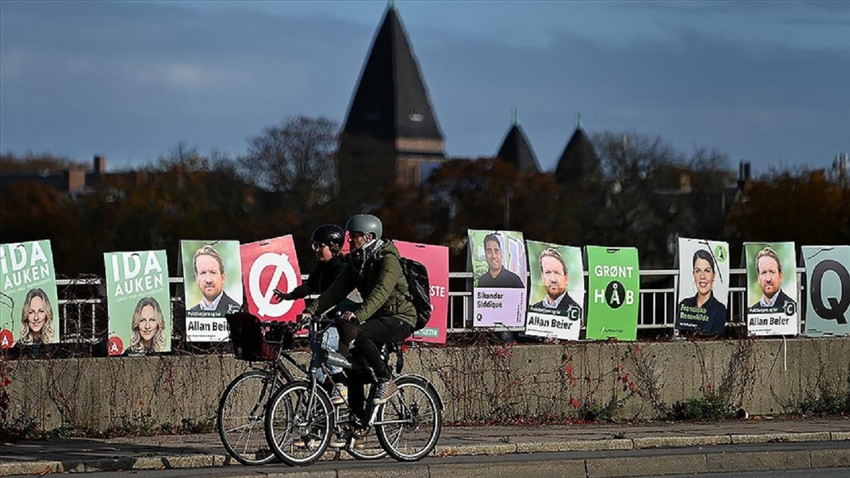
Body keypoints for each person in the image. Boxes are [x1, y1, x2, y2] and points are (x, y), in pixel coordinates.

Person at [301, 213, 416, 432]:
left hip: (400, 318)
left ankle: (385, 379)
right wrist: (310, 311)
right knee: (353, 370)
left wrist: (358, 315)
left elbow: (381, 292)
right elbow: (335, 292)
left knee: (358, 332)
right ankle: (357, 426)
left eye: (354, 236)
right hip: (377, 318)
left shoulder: (388, 259)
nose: (349, 240)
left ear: (369, 237)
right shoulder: (357, 261)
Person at [273, 224, 349, 405]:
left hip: (341, 322)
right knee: (317, 368)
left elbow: (336, 298)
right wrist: (288, 296)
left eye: (320, 246)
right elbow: (309, 287)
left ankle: (343, 385)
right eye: (314, 246)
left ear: (334, 246)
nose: (316, 250)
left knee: (325, 345)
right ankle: (322, 412)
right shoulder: (321, 266)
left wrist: (312, 311)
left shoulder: (343, 268)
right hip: (325, 320)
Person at [677, 249, 726, 335]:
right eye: (698, 271)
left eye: (707, 271)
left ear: (713, 275)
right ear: (693, 274)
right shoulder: (684, 305)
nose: (702, 276)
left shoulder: (719, 309)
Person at [187, 245, 240, 314]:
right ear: (197, 278)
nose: (208, 280)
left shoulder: (237, 311)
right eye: (203, 273)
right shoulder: (191, 314)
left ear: (223, 277)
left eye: (213, 272)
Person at [531, 247, 582, 313]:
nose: (553, 279)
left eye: (557, 273)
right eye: (548, 272)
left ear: (566, 278)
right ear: (543, 277)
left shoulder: (576, 311)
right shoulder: (534, 309)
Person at [748, 246, 797, 313]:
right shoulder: (752, 311)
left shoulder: (793, 307)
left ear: (780, 276)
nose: (768, 279)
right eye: (764, 272)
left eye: (772, 272)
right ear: (758, 278)